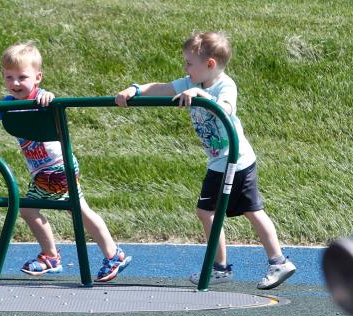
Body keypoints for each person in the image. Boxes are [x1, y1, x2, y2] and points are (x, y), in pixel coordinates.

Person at [115, 31, 296, 290]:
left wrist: (202, 97)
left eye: (189, 63)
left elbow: (226, 108)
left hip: (236, 160)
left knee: (250, 211)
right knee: (208, 212)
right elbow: (162, 88)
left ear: (209, 64)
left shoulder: (224, 85)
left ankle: (277, 261)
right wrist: (133, 90)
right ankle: (220, 267)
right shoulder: (192, 83)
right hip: (219, 163)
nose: (185, 68)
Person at [0, 42, 131, 281]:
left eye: (22, 77)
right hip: (46, 171)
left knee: (32, 208)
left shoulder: (41, 98)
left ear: (38, 77)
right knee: (78, 210)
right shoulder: (8, 102)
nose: (15, 83)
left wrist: (50, 99)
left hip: (56, 168)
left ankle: (52, 256)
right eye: (9, 77)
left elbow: (55, 109)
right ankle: (112, 254)